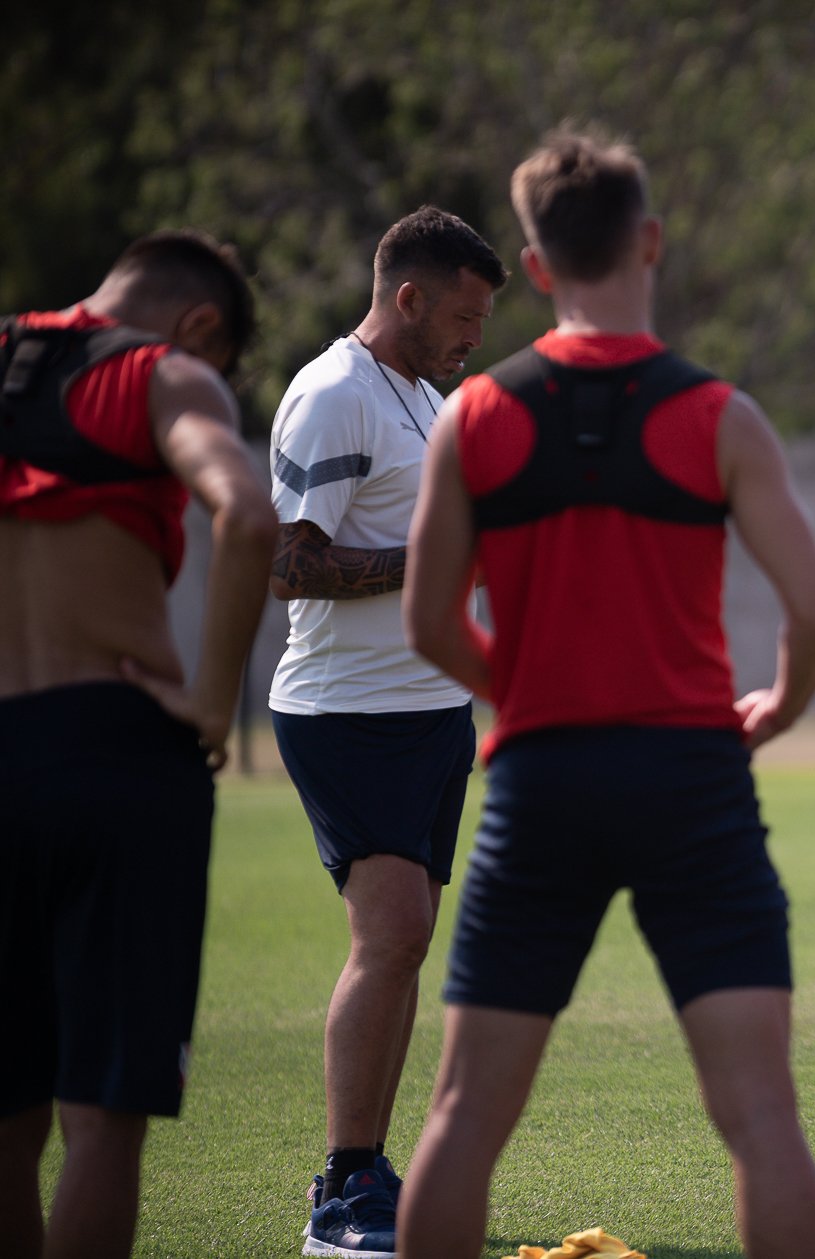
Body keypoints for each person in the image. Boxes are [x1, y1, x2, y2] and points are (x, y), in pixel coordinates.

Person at [398, 125, 815, 1259]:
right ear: (649, 240)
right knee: (760, 1118)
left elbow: (426, 620)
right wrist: (774, 711)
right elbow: (814, 615)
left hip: (540, 781)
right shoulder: (719, 416)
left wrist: (531, 691)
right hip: (691, 777)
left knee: (461, 1117)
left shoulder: (474, 416)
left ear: (536, 266)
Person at [0, 231, 275, 1258]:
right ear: (199, 324)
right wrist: (213, 702)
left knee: (6, 1120)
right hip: (114, 749)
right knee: (101, 1119)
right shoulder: (165, 374)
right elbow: (246, 515)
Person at [266, 206, 507, 1256]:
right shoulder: (333, 393)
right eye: (460, 315)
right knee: (394, 931)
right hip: (346, 709)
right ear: (405, 297)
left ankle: (370, 1169)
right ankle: (341, 1191)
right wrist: (440, 563)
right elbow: (290, 562)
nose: (473, 338)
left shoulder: (419, 393)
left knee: (405, 945)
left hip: (427, 708)